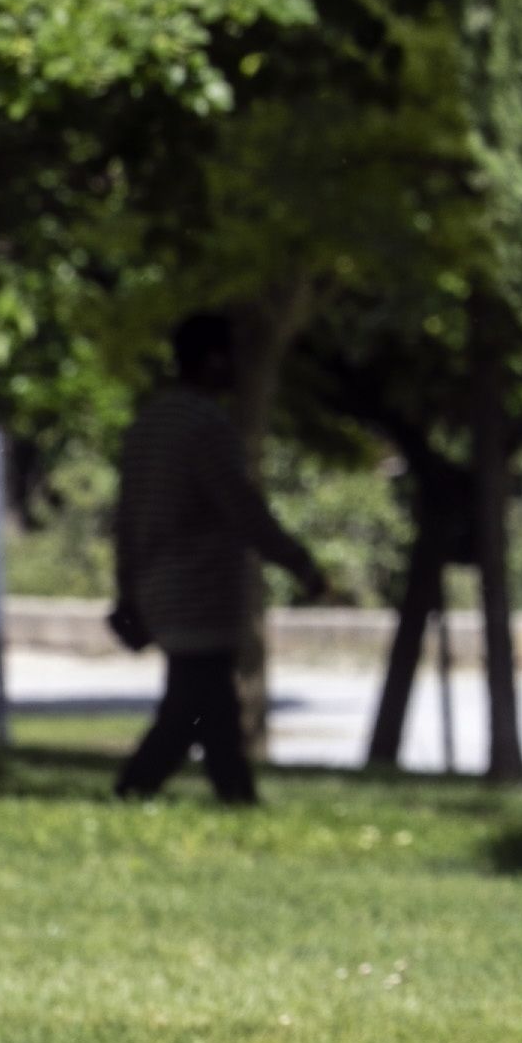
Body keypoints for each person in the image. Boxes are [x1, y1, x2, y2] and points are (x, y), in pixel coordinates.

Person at [109, 311, 332, 804]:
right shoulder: (206, 425)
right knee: (194, 704)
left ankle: (234, 796)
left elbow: (125, 517)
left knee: (209, 708)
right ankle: (138, 788)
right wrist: (299, 563)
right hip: (198, 591)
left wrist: (128, 587)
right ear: (212, 361)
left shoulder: (149, 423)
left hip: (157, 586)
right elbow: (243, 508)